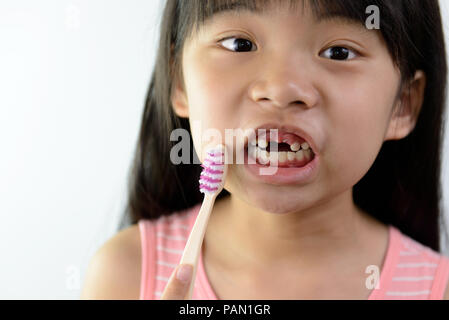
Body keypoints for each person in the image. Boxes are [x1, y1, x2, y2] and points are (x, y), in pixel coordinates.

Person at [81, 0, 449, 300]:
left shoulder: (438, 288)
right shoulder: (126, 273)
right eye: (239, 44)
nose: (282, 88)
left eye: (338, 52)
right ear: (179, 81)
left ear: (403, 103)